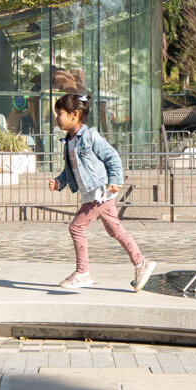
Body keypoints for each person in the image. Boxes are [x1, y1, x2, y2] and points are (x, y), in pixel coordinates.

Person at [49, 93, 155, 291]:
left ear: (74, 114)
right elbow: (70, 169)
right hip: (93, 193)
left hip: (99, 193)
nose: (57, 118)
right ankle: (141, 264)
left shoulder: (90, 136)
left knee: (76, 228)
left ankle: (83, 272)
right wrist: (58, 181)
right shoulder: (69, 141)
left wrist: (115, 181)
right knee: (114, 229)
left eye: (59, 113)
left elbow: (112, 156)